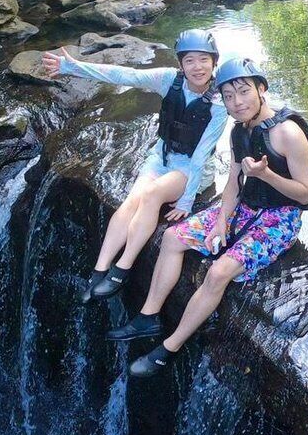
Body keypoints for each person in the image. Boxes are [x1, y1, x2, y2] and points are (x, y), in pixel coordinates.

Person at [109, 57, 308, 377]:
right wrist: (221, 221)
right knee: (172, 237)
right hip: (245, 207)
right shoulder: (239, 132)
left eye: (244, 92)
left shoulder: (288, 133)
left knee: (219, 272)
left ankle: (169, 348)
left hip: (280, 219)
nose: (237, 102)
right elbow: (233, 181)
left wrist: (267, 176)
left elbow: (306, 194)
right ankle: (148, 316)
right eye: (229, 96)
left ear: (261, 89)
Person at [41, 30, 227, 310]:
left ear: (214, 62)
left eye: (204, 59)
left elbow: (201, 155)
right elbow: (125, 75)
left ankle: (121, 270)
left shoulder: (219, 102)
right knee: (131, 201)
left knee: (152, 194)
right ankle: (99, 271)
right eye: (190, 60)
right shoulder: (169, 80)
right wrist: (72, 67)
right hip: (162, 157)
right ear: (181, 64)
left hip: (192, 169)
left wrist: (187, 200)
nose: (197, 67)